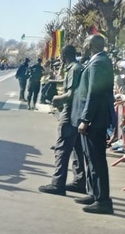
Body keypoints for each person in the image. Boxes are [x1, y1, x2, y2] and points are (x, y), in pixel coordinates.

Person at [72, 34, 114, 214]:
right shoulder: (97, 61)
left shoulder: (99, 63)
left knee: (96, 160)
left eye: (85, 43)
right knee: (90, 158)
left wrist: (86, 119)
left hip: (94, 121)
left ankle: (103, 200)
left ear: (91, 45)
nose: (82, 46)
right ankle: (93, 193)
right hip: (93, 119)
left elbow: (94, 93)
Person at [38, 45, 86, 196]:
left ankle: (58, 183)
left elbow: (71, 94)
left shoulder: (74, 69)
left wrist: (56, 98)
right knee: (77, 148)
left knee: (62, 148)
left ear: (63, 56)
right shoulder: (78, 67)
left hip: (70, 113)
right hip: (77, 113)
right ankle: (79, 181)